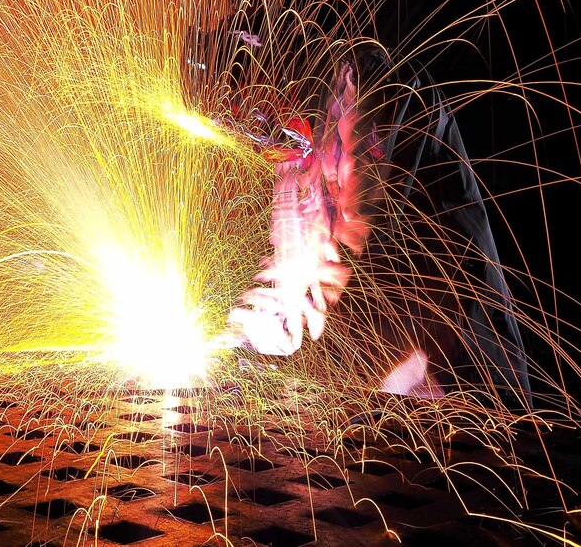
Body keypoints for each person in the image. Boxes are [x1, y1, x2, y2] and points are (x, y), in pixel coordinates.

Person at [224, 40, 533, 410]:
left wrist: (302, 307)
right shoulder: (302, 136)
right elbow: (298, 230)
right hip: (395, 374)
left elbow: (360, 229)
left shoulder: (381, 91)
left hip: (460, 365)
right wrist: (276, 300)